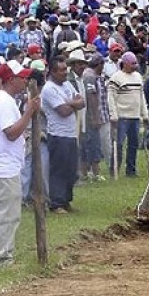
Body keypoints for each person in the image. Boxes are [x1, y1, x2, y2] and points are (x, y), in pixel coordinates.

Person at [0, 62, 41, 267]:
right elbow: (11, 133)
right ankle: (0, 257)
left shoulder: (4, 99)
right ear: (11, 79)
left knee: (10, 214)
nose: (25, 81)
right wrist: (28, 113)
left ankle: (5, 254)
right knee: (5, 215)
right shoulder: (3, 101)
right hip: (2, 167)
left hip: (5, 165)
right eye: (21, 77)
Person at [42, 57, 85, 213]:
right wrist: (73, 104)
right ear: (52, 72)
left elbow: (82, 101)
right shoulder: (49, 89)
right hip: (58, 134)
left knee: (71, 170)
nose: (65, 72)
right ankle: (56, 203)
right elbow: (63, 111)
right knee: (59, 170)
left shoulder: (67, 84)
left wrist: (70, 103)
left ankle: (66, 200)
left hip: (71, 134)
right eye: (61, 70)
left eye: (65, 69)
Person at [107, 52, 148, 177]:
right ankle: (114, 168)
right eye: (133, 63)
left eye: (136, 63)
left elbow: (142, 97)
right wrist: (113, 114)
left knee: (133, 144)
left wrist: (145, 114)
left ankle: (131, 170)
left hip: (135, 116)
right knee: (118, 144)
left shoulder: (138, 77)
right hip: (121, 116)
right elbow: (111, 97)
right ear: (125, 64)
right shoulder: (116, 78)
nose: (135, 66)